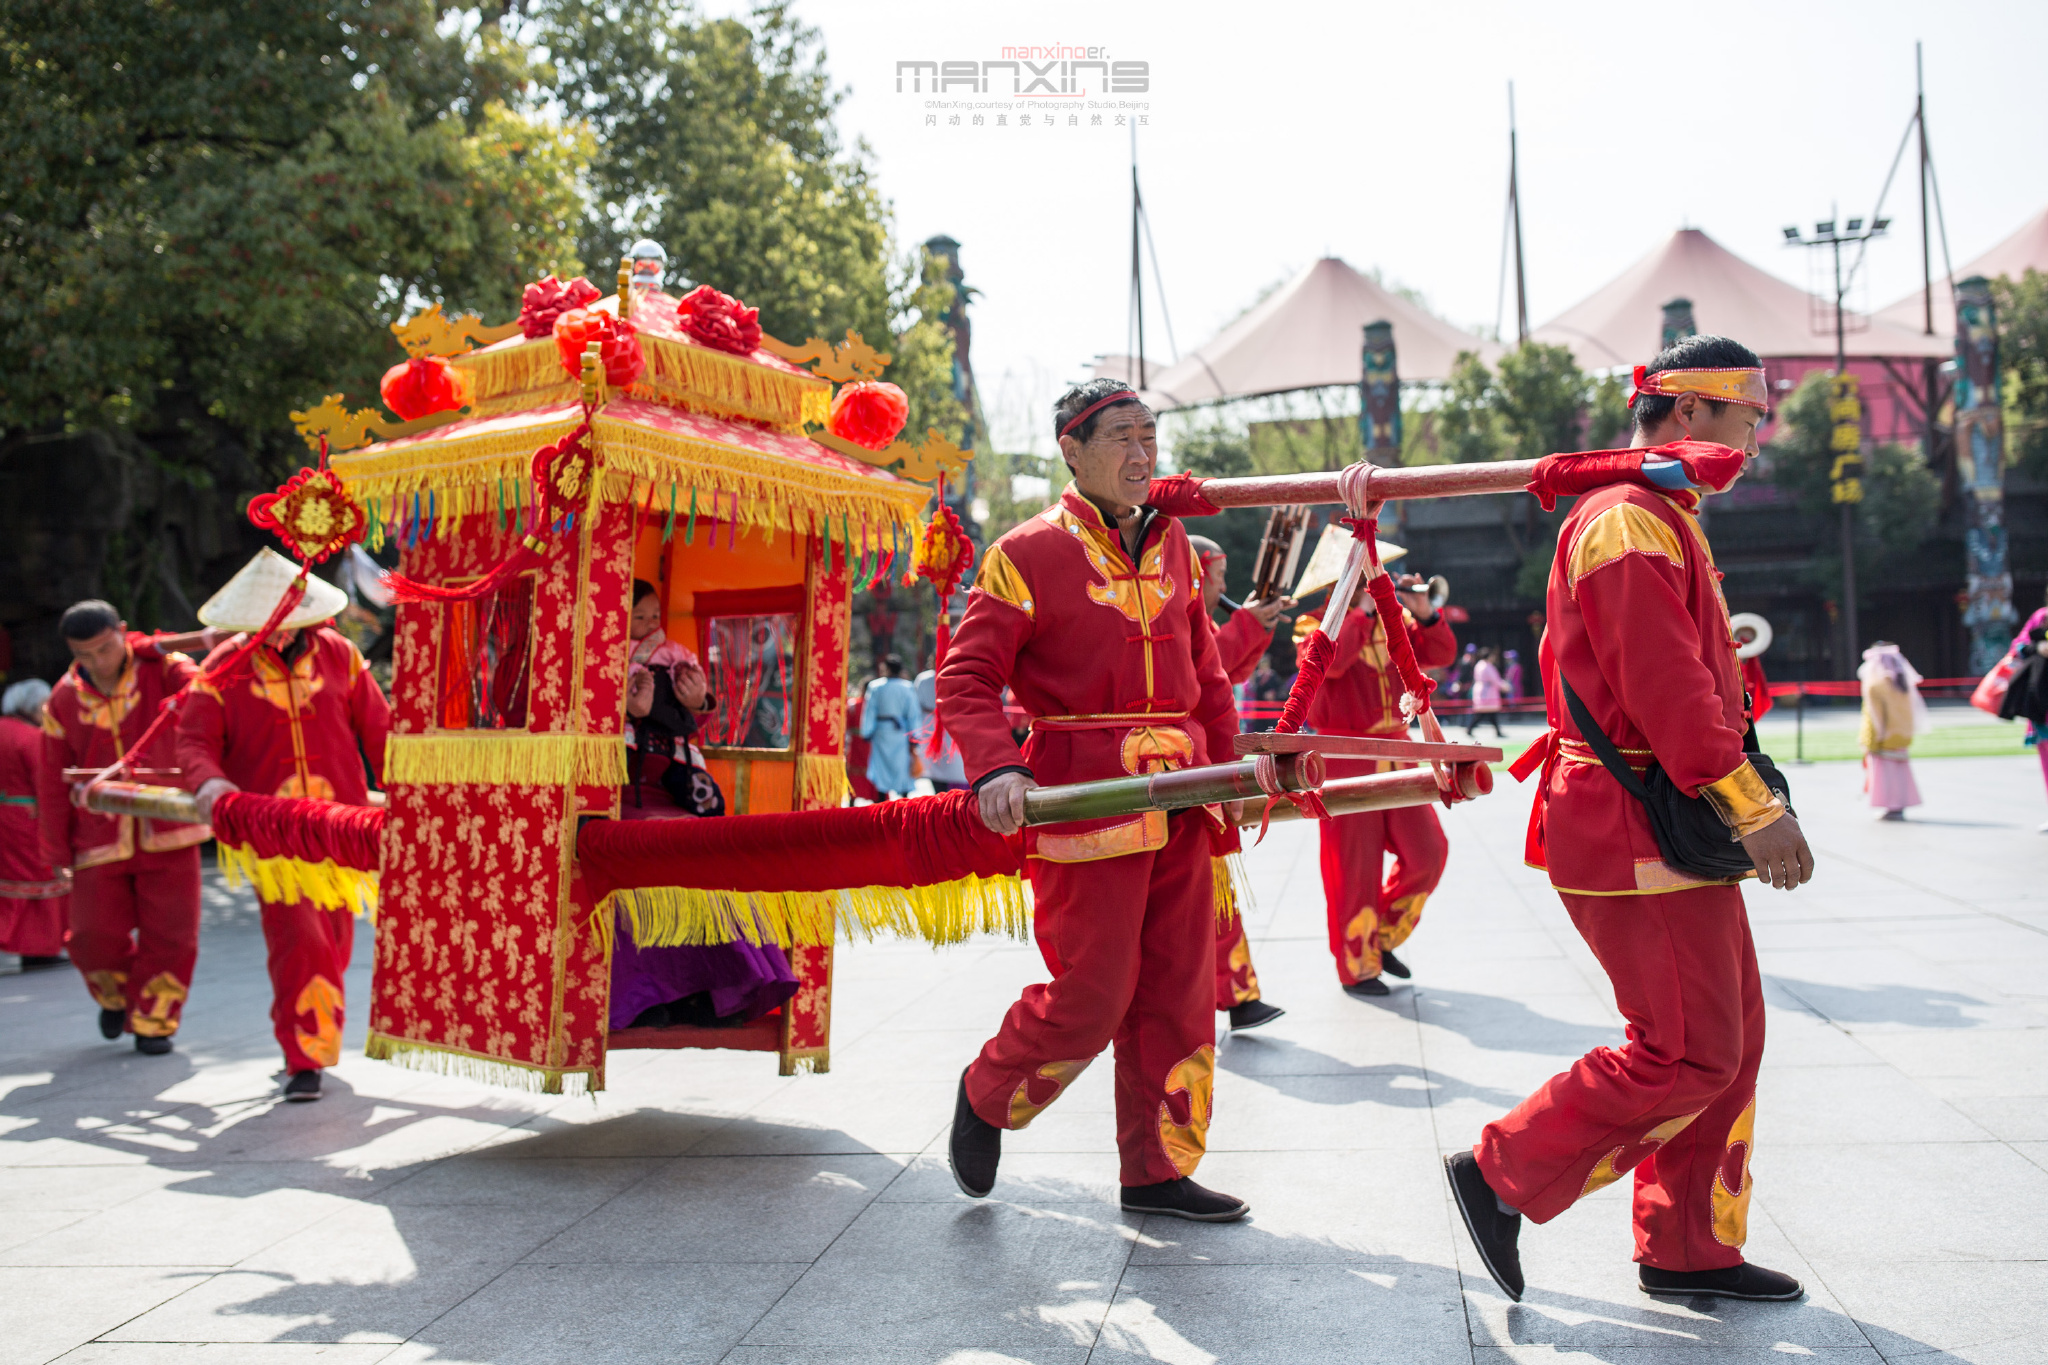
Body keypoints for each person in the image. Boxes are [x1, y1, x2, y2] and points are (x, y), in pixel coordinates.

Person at [1447, 335, 1816, 1306]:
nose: (1754, 433)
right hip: (1634, 820)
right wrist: (1753, 807)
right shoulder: (1626, 520)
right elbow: (1665, 692)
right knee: (1685, 1049)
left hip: (1661, 815)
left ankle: (1687, 1245)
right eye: (1747, 414)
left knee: (1728, 1040)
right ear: (1687, 413)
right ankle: (1500, 1172)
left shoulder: (1660, 516)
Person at [939, 378, 1248, 1222]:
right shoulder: (1025, 552)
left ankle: (1156, 1171)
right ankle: (988, 1088)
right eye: (1121, 436)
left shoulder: (1178, 541)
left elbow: (1208, 672)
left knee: (1181, 992)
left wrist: (1233, 772)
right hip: (1085, 798)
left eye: (1151, 434)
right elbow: (967, 678)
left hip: (1186, 794)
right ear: (1071, 451)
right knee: (1094, 992)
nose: (1143, 453)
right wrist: (997, 767)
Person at [180, 551, 390, 1101]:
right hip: (270, 833)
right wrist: (208, 783)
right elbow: (194, 742)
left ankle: (305, 1031)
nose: (272, 634)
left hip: (343, 829)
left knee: (335, 941)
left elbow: (381, 732)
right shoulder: (222, 664)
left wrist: (412, 793)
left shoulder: (341, 656)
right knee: (298, 937)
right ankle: (305, 1057)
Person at [38, 602, 210, 1052]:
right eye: (85, 654)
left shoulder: (163, 666)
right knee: (91, 936)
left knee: (173, 933)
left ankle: (155, 1021)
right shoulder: (62, 699)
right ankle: (115, 996)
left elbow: (203, 691)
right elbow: (51, 783)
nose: (99, 662)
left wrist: (170, 658)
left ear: (123, 633)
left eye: (106, 649)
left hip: (168, 826)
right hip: (97, 837)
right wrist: (56, 853)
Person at [1297, 564, 1457, 997]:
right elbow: (1330, 664)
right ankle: (1358, 966)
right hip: (1345, 759)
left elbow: (1440, 653)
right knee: (1354, 868)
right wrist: (1361, 610)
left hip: (1397, 754)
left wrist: (1423, 613)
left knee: (1428, 852)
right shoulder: (1314, 624)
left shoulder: (1394, 622)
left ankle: (1381, 937)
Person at [1185, 536, 1287, 1032]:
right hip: (1185, 770)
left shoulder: (1199, 620)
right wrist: (1248, 624)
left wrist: (1255, 627)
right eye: (1218, 578)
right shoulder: (1172, 619)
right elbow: (1203, 672)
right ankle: (1232, 994)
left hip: (1206, 769)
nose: (1223, 587)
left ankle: (1238, 994)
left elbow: (1234, 671)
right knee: (1208, 887)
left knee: (1215, 886)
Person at [2, 680, 70, 968]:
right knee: (41, 879)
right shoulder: (31, 738)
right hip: (26, 819)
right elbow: (45, 785)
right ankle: (39, 945)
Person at [1858, 642, 1927, 821]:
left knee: (1885, 776)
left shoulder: (1875, 685)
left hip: (1882, 738)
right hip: (1901, 735)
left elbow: (1873, 716)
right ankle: (1899, 804)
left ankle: (1891, 804)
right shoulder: (1902, 683)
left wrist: (1870, 739)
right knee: (1900, 775)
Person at [858, 654, 920, 799]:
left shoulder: (875, 686)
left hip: (881, 732)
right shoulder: (907, 687)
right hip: (901, 734)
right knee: (902, 767)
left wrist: (867, 732)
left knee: (881, 769)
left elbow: (869, 711)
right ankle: (904, 803)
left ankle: (881, 802)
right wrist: (914, 736)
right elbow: (913, 714)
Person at [1466, 647, 1506, 738]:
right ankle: (1469, 728)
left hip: (1482, 690)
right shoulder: (1487, 666)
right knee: (1482, 713)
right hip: (1487, 692)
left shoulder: (1479, 665)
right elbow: (1495, 680)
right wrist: (1504, 686)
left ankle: (1497, 731)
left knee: (1488, 714)